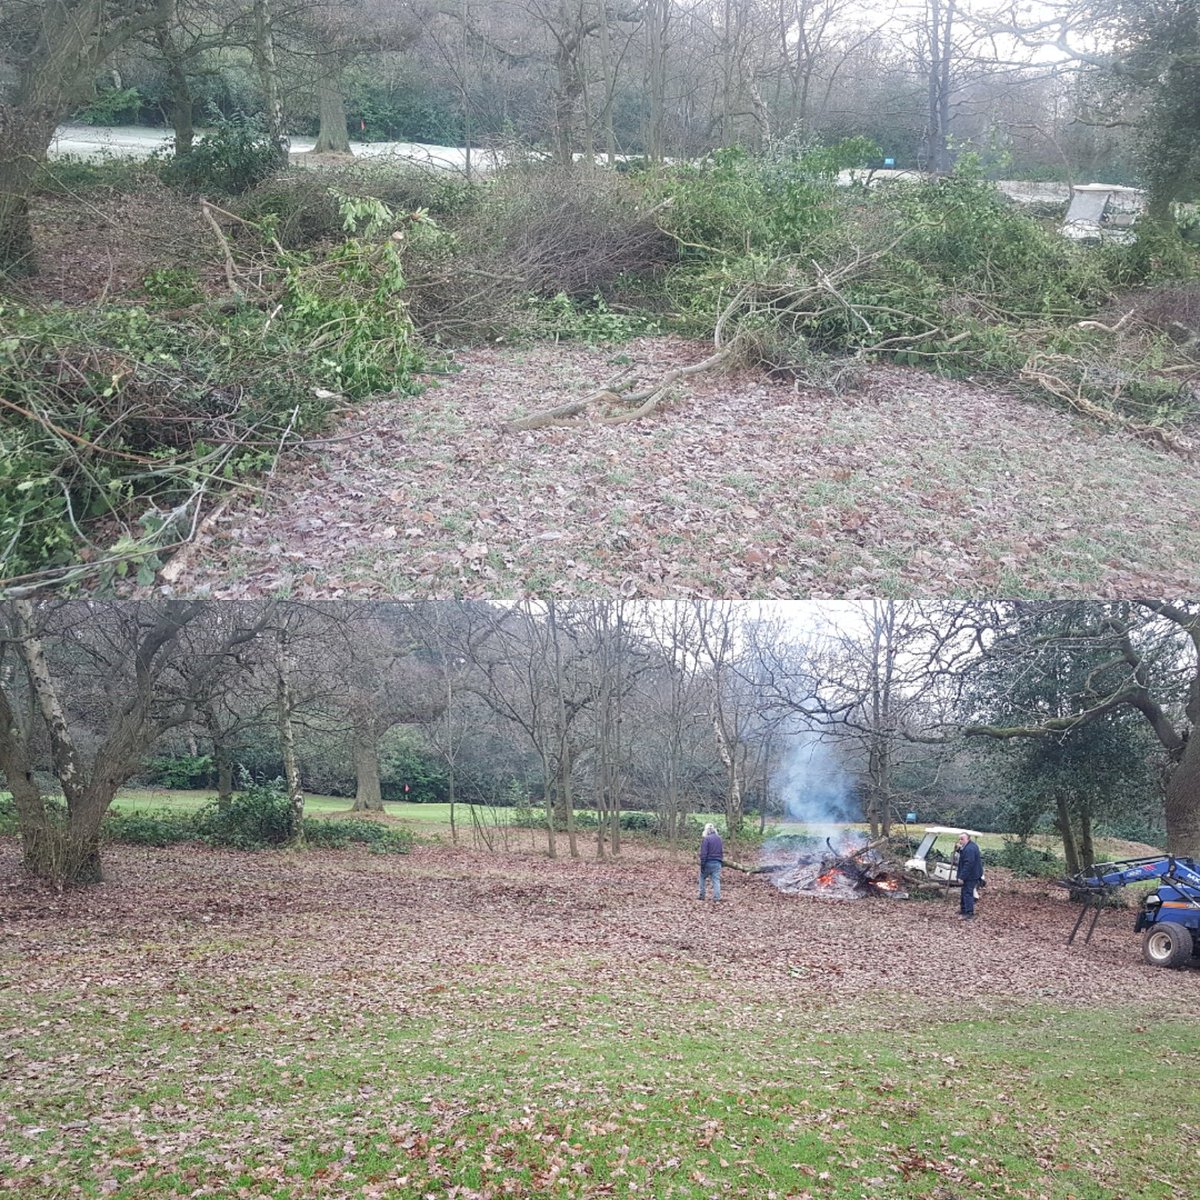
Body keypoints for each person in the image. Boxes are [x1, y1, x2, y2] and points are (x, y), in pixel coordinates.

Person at [955, 831, 983, 919]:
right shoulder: (969, 846)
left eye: (962, 839)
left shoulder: (969, 849)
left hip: (971, 875)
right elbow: (964, 855)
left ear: (968, 839)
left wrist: (962, 876)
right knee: (964, 892)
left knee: (967, 893)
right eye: (960, 839)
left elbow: (968, 864)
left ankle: (969, 913)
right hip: (972, 873)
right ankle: (963, 910)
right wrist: (958, 849)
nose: (960, 841)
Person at [699, 822, 724, 901]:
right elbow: (721, 851)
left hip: (708, 862)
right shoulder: (719, 838)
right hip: (717, 862)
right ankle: (717, 897)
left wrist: (702, 864)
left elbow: (704, 853)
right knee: (716, 880)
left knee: (702, 877)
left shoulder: (706, 839)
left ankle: (702, 895)